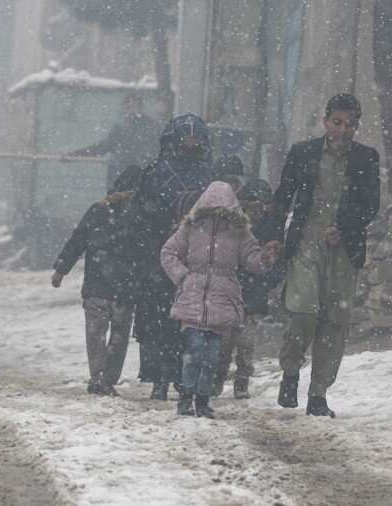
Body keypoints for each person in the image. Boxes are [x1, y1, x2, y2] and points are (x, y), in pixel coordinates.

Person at [266, 94, 380, 418]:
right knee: (303, 310)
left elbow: (371, 205)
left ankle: (318, 394)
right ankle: (290, 372)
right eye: (338, 123)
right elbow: (282, 198)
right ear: (325, 121)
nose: (343, 131)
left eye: (350, 125)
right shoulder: (303, 154)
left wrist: (345, 227)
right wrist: (274, 238)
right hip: (306, 242)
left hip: (344, 249)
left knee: (335, 321)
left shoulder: (365, 159)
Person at [108, 113, 212, 400]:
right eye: (186, 138)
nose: (191, 144)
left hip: (196, 259)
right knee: (158, 320)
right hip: (158, 259)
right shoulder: (156, 173)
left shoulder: (207, 175)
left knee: (191, 321)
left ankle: (184, 376)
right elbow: (139, 217)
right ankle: (160, 378)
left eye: (196, 138)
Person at [160, 181, 271, 418]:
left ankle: (202, 399)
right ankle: (187, 396)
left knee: (211, 356)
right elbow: (168, 253)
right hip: (194, 299)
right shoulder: (190, 229)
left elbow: (253, 261)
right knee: (196, 351)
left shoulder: (239, 233)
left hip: (221, 301)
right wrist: (183, 276)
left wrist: (265, 259)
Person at [51, 166, 144, 396]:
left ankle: (98, 377)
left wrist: (62, 269)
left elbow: (77, 240)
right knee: (118, 336)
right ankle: (107, 379)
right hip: (124, 287)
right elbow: (149, 250)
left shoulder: (99, 210)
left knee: (96, 333)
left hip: (98, 285)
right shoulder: (142, 214)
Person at [212, 178, 278, 399]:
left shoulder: (271, 227)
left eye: (261, 204)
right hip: (233, 290)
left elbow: (276, 261)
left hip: (252, 292)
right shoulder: (233, 225)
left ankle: (242, 381)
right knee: (225, 342)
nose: (257, 210)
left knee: (245, 343)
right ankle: (218, 379)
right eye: (252, 204)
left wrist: (267, 280)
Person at [70, 94, 161, 191]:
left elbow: (155, 152)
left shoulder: (151, 128)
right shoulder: (121, 128)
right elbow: (102, 147)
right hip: (121, 183)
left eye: (132, 107)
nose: (130, 111)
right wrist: (75, 155)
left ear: (140, 107)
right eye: (127, 107)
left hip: (135, 183)